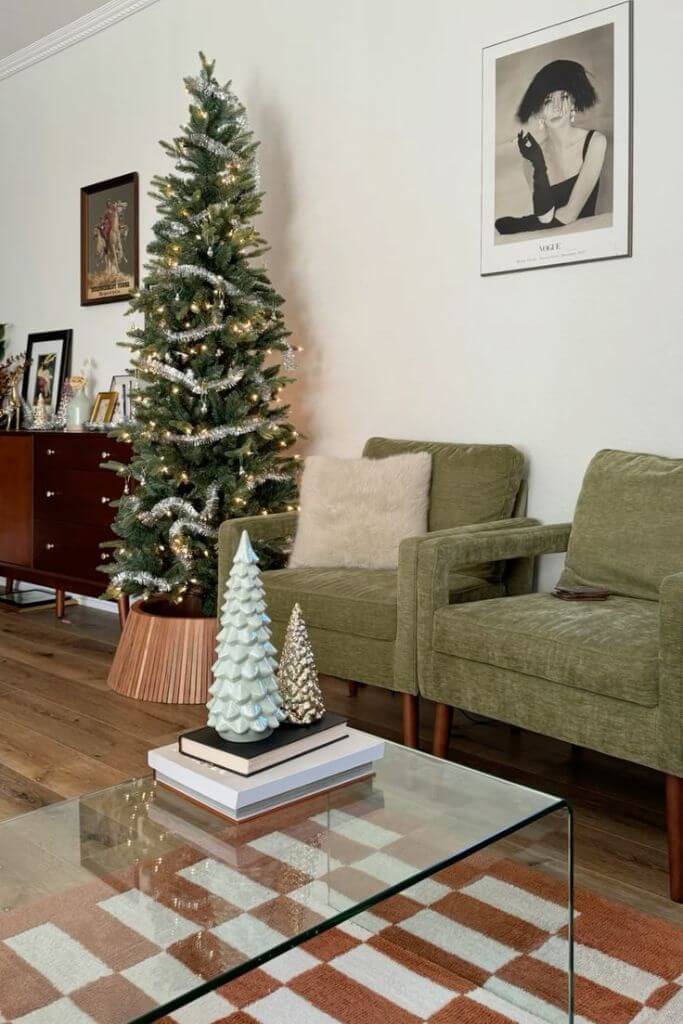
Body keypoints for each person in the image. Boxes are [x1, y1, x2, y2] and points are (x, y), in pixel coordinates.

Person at [495, 59, 607, 236]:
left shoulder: (595, 142)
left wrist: (515, 225)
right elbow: (545, 219)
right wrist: (539, 165)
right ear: (539, 110)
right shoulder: (530, 160)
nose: (556, 107)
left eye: (563, 97)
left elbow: (569, 215)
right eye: (548, 100)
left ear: (573, 104)